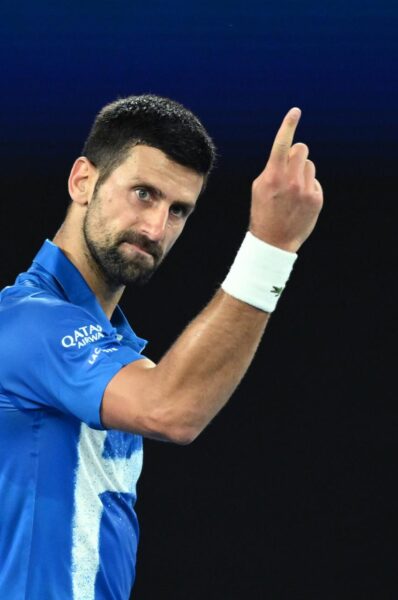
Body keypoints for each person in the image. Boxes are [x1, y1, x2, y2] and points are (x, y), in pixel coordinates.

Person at [0, 95, 323, 599]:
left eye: (178, 211)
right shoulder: (26, 322)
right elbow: (172, 409)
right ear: (83, 180)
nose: (156, 228)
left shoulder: (118, 350)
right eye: (143, 194)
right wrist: (270, 248)